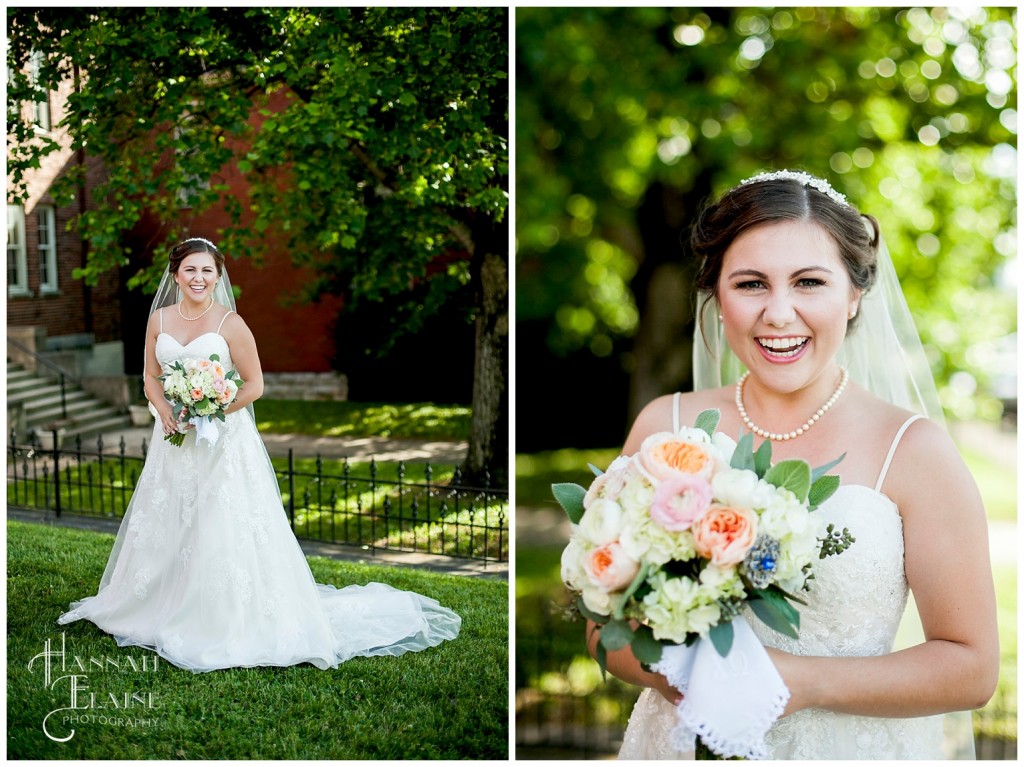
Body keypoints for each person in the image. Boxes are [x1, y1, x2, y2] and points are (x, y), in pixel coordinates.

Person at [593, 172, 998, 759]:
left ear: (855, 293)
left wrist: (797, 682)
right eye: (751, 283)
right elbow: (603, 629)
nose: (779, 313)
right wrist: (700, 682)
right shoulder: (665, 430)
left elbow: (972, 667)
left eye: (809, 282)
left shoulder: (914, 451)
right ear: (717, 294)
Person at [58, 237, 461, 672]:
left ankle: (220, 615)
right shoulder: (159, 320)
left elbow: (254, 386)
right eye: (190, 270)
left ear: (218, 276)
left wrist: (209, 409)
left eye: (207, 270)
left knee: (218, 521)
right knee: (171, 516)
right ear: (175, 274)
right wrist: (164, 409)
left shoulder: (231, 324)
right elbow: (150, 376)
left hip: (221, 441)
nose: (198, 278)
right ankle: (154, 601)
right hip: (172, 439)